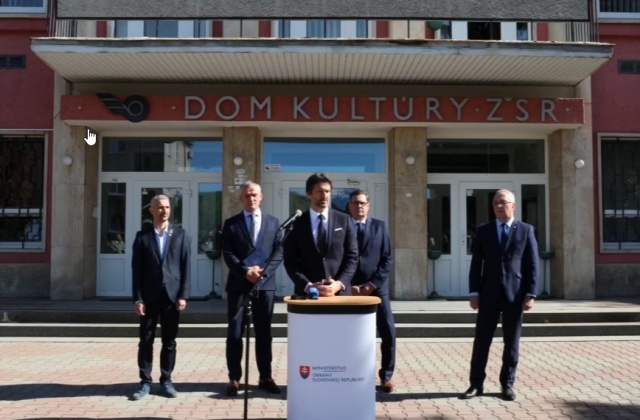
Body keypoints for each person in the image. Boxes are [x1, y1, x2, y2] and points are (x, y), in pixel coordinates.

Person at [461, 189, 538, 402]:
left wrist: (530, 293)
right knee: (481, 341)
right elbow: (476, 264)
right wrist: (474, 292)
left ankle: (507, 384)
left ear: (513, 206)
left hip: (515, 295)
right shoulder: (484, 231)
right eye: (495, 203)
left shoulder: (526, 230)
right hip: (488, 294)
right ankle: (476, 384)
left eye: (503, 202)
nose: (498, 206)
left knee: (511, 342)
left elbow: (532, 264)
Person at [221, 181, 284, 397]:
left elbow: (278, 252)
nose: (251, 198)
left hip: (265, 286)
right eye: (247, 195)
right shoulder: (231, 224)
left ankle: (265, 377)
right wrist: (245, 271)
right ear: (241, 198)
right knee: (235, 333)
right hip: (239, 285)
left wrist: (263, 273)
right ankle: (234, 378)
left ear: (261, 196)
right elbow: (227, 253)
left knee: (264, 333)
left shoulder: (274, 223)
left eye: (255, 194)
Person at [130, 194, 191, 400]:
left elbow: (186, 267)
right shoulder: (142, 237)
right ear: (151, 210)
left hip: (171, 297)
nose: (164, 211)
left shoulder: (180, 235)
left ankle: (166, 380)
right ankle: (145, 382)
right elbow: (136, 271)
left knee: (169, 341)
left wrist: (183, 295)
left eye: (167, 207)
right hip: (149, 297)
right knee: (146, 340)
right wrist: (138, 299)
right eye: (160, 207)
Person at [347, 190, 396, 393]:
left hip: (376, 289)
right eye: (355, 203)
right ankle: (351, 375)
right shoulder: (341, 227)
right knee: (349, 335)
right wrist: (348, 285)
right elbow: (336, 258)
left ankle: (386, 376)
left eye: (362, 203)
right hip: (349, 291)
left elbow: (387, 259)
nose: (359, 206)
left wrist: (372, 284)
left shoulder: (380, 226)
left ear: (368, 205)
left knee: (388, 333)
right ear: (349, 205)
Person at [283, 173, 358, 297]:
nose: (325, 196)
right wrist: (308, 286)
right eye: (320, 191)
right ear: (309, 194)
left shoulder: (344, 220)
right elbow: (290, 261)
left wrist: (339, 283)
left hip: (339, 294)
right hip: (308, 295)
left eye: (327, 191)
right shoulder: (296, 224)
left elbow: (352, 257)